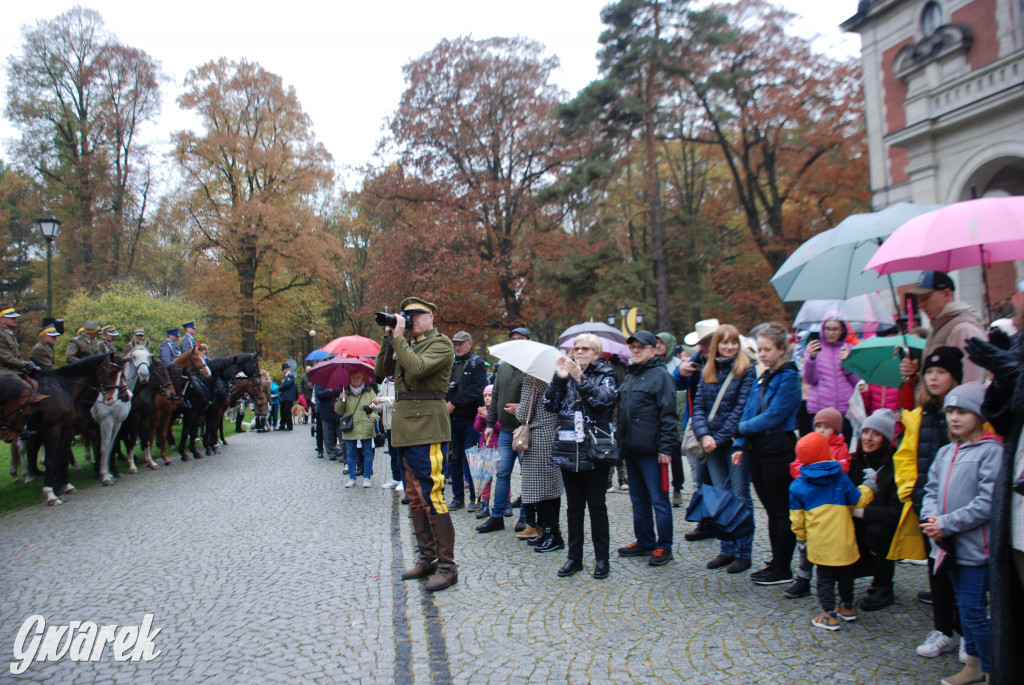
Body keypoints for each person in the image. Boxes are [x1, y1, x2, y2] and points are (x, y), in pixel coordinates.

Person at [373, 297, 458, 592]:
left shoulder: (441, 343)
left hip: (428, 426)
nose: (413, 319)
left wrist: (399, 340)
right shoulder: (404, 343)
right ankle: (427, 558)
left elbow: (418, 368)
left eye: (419, 314)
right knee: (414, 495)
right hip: (406, 426)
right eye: (408, 315)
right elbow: (381, 371)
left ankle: (447, 566)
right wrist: (389, 338)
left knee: (432, 492)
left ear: (432, 317)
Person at [921, 382, 1003, 685]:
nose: (954, 418)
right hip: (946, 545)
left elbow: (986, 503)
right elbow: (930, 489)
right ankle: (974, 665)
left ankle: (993, 669)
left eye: (963, 412)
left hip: (973, 549)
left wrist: (947, 523)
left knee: (973, 610)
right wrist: (930, 517)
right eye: (951, 411)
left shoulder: (991, 451)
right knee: (964, 609)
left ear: (979, 414)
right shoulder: (945, 451)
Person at [890, 347, 965, 660]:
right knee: (937, 570)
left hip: (959, 508)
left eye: (941, 372)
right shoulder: (920, 415)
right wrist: (913, 493)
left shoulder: (964, 415)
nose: (934, 378)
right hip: (927, 504)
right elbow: (906, 457)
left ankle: (968, 634)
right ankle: (943, 630)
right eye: (930, 373)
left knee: (965, 571)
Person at [731, 323, 802, 586]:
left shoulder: (789, 378)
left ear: (781, 350)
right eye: (759, 350)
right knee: (772, 510)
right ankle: (777, 560)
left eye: (767, 349)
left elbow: (774, 415)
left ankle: (783, 567)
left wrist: (739, 429)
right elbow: (750, 411)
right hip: (759, 449)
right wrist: (739, 443)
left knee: (781, 511)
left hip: (778, 449)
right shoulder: (764, 376)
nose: (761, 354)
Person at [544, 333, 618, 579]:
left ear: (596, 354)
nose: (580, 352)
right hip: (568, 449)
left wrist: (581, 378)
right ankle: (574, 558)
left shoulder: (605, 373)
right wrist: (559, 378)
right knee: (574, 507)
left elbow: (604, 401)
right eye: (577, 348)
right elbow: (549, 404)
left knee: (597, 506)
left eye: (586, 349)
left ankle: (602, 559)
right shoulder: (566, 374)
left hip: (595, 450)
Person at [789, 432, 876, 631]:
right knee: (846, 574)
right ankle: (846, 607)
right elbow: (858, 500)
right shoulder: (840, 477)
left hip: (820, 543)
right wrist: (870, 485)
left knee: (825, 577)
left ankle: (829, 615)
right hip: (844, 539)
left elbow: (797, 518)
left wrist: (801, 537)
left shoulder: (798, 486)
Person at [691, 324, 757, 575]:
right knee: (721, 497)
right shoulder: (709, 370)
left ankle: (743, 552)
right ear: (716, 344)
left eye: (733, 343)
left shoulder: (746, 370)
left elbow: (740, 410)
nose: (729, 347)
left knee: (740, 496)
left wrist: (716, 438)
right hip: (712, 443)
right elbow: (698, 407)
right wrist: (704, 435)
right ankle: (727, 548)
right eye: (724, 342)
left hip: (733, 444)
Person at [616, 330, 679, 568]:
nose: (636, 350)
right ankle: (644, 540)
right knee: (638, 499)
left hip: (653, 452)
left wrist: (666, 448)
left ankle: (664, 545)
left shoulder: (661, 377)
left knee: (659, 500)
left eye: (641, 347)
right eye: (633, 347)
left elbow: (669, 415)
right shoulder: (631, 376)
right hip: (632, 449)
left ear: (654, 350)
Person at [785, 407, 853, 598]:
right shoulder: (808, 445)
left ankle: (836, 585)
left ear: (836, 430)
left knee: (831, 546)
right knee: (805, 545)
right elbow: (796, 466)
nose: (822, 430)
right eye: (819, 426)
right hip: (810, 503)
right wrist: (811, 477)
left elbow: (843, 468)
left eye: (827, 427)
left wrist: (822, 469)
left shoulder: (840, 447)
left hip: (832, 506)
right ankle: (803, 578)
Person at [477, 326, 531, 534]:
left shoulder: (531, 368)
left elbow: (538, 400)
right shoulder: (503, 366)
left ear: (528, 341)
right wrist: (490, 424)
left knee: (527, 475)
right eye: (513, 339)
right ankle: (497, 516)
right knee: (502, 473)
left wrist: (523, 408)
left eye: (521, 338)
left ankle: (526, 516)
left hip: (525, 430)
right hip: (505, 431)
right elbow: (496, 396)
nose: (516, 341)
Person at [848, 409, 903, 612]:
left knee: (877, 531)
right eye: (866, 432)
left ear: (886, 439)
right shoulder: (854, 461)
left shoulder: (894, 468)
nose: (868, 438)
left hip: (881, 526)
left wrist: (862, 513)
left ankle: (883, 585)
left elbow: (895, 512)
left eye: (876, 434)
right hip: (855, 522)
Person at [899, 271, 987, 389]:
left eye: (926, 298)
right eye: (919, 299)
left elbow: (970, 387)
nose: (920, 305)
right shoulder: (940, 327)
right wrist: (916, 374)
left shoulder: (962, 329)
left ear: (946, 294)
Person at [677, 318, 718, 537]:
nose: (702, 347)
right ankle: (705, 522)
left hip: (719, 431)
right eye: (701, 343)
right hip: (695, 428)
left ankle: (721, 522)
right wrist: (680, 373)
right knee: (699, 479)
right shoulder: (696, 360)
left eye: (706, 342)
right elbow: (676, 383)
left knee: (719, 481)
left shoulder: (730, 363)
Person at [515, 376, 562, 552]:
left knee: (538, 489)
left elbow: (523, 413)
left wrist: (517, 409)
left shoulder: (532, 379)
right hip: (555, 433)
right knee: (552, 488)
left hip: (538, 436)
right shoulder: (556, 378)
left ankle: (552, 533)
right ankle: (550, 532)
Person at [446, 331, 487, 510]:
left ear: (470, 344)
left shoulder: (476, 363)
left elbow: (478, 389)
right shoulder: (450, 363)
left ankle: (475, 498)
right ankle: (457, 497)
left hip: (471, 419)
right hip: (452, 419)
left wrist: (454, 402)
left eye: (461, 343)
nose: (458, 347)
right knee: (454, 458)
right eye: (455, 343)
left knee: (472, 459)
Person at [803, 319, 859, 442]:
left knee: (842, 451)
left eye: (835, 329)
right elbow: (810, 379)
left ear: (843, 330)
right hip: (821, 412)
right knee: (820, 452)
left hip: (844, 412)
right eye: (827, 328)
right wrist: (811, 359)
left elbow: (856, 382)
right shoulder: (815, 349)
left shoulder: (849, 349)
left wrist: (847, 363)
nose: (831, 333)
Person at [336, 366, 380, 488]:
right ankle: (352, 478)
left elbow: (376, 408)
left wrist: (373, 419)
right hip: (350, 426)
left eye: (358, 377)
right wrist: (341, 400)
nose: (356, 379)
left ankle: (367, 477)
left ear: (363, 378)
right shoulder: (345, 393)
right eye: (353, 377)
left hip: (366, 425)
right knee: (350, 453)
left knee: (367, 452)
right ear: (349, 378)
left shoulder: (369, 392)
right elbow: (339, 411)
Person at [472, 385, 498, 517]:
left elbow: (499, 427)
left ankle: (506, 502)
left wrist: (488, 416)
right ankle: (485, 503)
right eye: (485, 396)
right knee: (485, 478)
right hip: (484, 447)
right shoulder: (482, 410)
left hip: (497, 447)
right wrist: (482, 416)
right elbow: (476, 428)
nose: (487, 398)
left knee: (502, 476)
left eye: (490, 396)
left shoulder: (497, 410)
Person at [0, 307, 40, 378]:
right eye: (12, 318)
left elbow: (16, 357)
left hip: (13, 369)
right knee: (24, 387)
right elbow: (7, 359)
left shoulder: (9, 334)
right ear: (2, 320)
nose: (16, 320)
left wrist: (27, 365)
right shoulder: (1, 335)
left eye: (16, 318)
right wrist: (25, 364)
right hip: (3, 370)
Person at [315, 382, 342, 460]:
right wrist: (329, 391)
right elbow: (319, 394)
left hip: (337, 410)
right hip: (326, 410)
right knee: (327, 433)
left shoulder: (338, 380)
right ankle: (331, 452)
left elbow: (340, 392)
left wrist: (332, 391)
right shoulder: (320, 382)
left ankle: (342, 451)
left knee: (340, 432)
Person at [278, 362, 297, 431]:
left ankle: (289, 425)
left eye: (284, 369)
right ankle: (282, 425)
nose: (283, 371)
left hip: (288, 397)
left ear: (286, 369)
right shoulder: (286, 377)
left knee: (287, 412)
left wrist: (279, 389)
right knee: (282, 411)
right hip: (284, 397)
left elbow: (287, 385)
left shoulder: (290, 376)